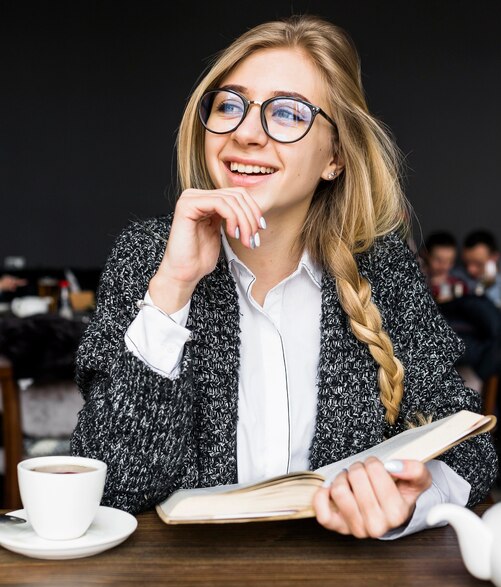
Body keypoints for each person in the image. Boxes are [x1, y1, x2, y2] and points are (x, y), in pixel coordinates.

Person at [71, 15, 497, 539]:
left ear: (335, 157)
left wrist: (407, 501)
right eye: (229, 105)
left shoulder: (381, 266)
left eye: (288, 113)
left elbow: (470, 452)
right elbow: (111, 486)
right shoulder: (147, 256)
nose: (246, 133)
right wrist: (172, 291)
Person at [457, 230, 501, 307]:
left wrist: (489, 284)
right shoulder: (456, 276)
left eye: (478, 264)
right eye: (466, 263)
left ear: (494, 257)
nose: (470, 270)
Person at [421, 232, 467, 302]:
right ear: (425, 255)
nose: (443, 266)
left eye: (449, 261)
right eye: (438, 260)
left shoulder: (458, 285)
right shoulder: (418, 283)